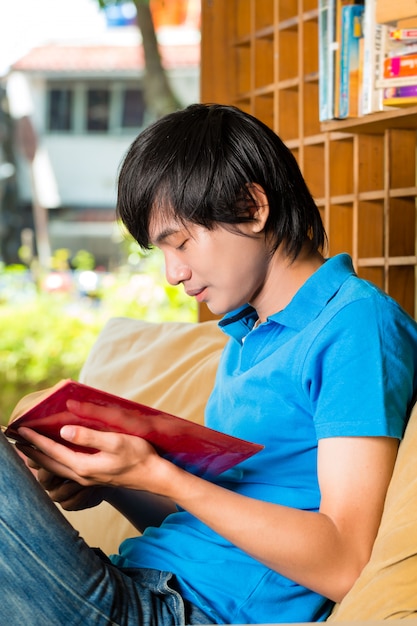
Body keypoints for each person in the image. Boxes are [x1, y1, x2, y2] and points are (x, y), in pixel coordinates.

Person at [2, 103, 417, 626]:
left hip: (180, 612)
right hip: (137, 585)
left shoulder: (355, 324)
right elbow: (212, 520)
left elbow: (344, 561)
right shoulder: (249, 335)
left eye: (179, 243)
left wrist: (161, 474)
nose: (174, 273)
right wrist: (114, 478)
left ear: (251, 207)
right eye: (161, 251)